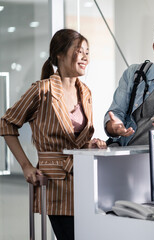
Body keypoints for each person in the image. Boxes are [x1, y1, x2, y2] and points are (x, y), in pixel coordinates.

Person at [0, 29, 106, 240]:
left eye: (87, 51)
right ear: (59, 54)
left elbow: (78, 140)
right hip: (55, 182)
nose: (85, 56)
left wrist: (91, 145)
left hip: (86, 182)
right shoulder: (43, 90)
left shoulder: (85, 92)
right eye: (79, 51)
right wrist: (26, 166)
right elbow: (7, 124)